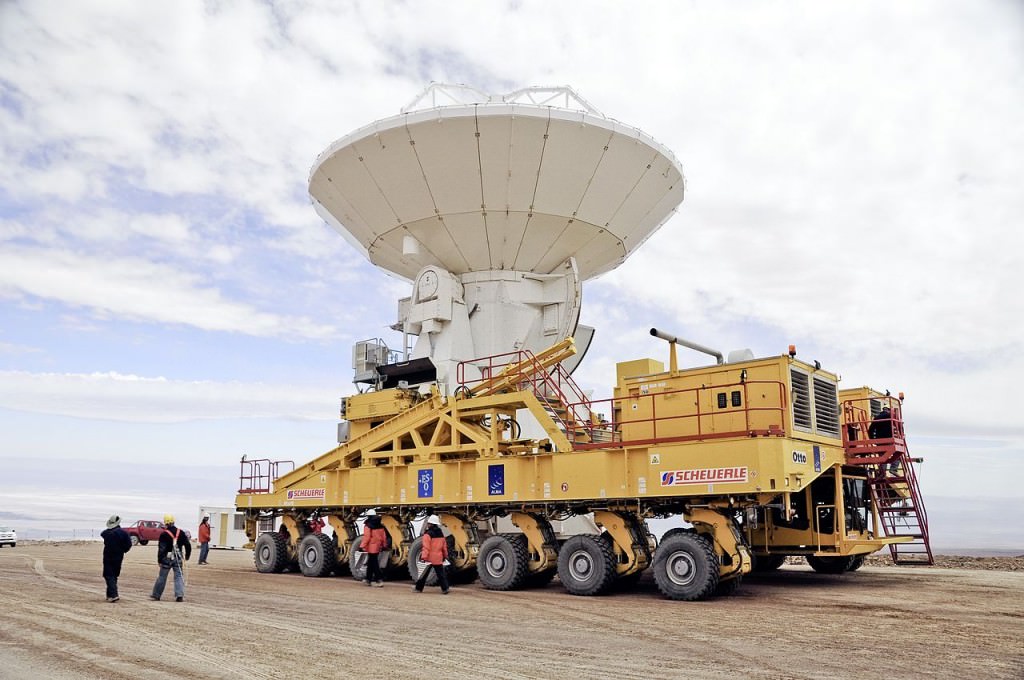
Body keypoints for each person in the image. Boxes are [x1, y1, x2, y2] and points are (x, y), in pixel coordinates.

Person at [150, 514, 191, 602]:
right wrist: (187, 556)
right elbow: (188, 545)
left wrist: (160, 560)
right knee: (178, 576)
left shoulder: (164, 534)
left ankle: (156, 595)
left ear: (165, 523)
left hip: (166, 558)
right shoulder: (181, 532)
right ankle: (179, 595)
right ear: (173, 521)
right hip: (178, 556)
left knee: (162, 577)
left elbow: (161, 549)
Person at [412, 515, 449, 594]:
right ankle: (445, 588)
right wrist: (445, 556)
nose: (427, 524)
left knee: (423, 574)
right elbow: (444, 547)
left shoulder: (427, 534)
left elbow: (426, 547)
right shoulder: (441, 534)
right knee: (441, 574)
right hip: (438, 558)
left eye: (428, 523)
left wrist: (423, 557)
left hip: (429, 558)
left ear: (430, 524)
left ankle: (418, 588)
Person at [100, 515, 132, 602]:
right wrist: (124, 550)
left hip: (108, 556)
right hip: (119, 556)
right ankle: (109, 595)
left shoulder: (106, 533)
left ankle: (114, 595)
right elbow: (129, 544)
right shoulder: (124, 533)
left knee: (108, 575)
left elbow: (102, 534)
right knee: (113, 575)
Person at [360, 510, 388, 588]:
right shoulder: (381, 525)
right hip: (378, 546)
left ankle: (379, 580)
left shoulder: (368, 526)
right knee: (371, 563)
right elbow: (384, 537)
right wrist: (384, 545)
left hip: (371, 547)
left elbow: (367, 537)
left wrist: (362, 546)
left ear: (368, 516)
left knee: (374, 564)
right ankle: (368, 579)